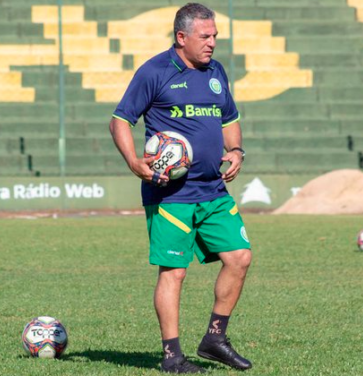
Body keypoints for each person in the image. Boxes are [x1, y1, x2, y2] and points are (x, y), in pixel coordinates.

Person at [109, 3, 252, 374]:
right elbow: (120, 121)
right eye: (205, 37)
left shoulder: (216, 72)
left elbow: (230, 118)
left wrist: (235, 150)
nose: (212, 44)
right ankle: (172, 355)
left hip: (213, 190)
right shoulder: (155, 72)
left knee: (239, 258)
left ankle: (215, 339)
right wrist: (133, 162)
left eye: (215, 36)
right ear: (181, 37)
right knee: (174, 272)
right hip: (170, 195)